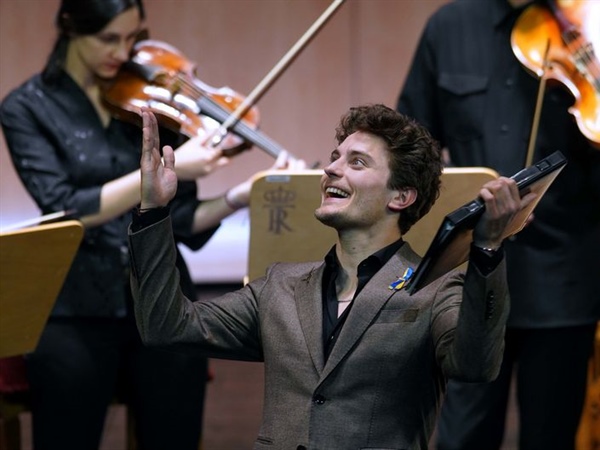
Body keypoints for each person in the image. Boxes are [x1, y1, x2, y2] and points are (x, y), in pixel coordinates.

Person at [128, 103, 535, 449]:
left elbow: (476, 365)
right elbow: (167, 327)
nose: (331, 170)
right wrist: (152, 210)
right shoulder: (279, 286)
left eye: (356, 162)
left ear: (401, 196)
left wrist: (487, 251)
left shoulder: (435, 288)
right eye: (335, 157)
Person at [0, 0, 302, 448]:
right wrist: (157, 178)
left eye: (133, 38)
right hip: (74, 303)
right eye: (107, 39)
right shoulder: (27, 108)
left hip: (160, 295)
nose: (123, 53)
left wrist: (242, 195)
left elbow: (182, 223)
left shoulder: (155, 100)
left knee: (174, 434)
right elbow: (65, 205)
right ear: (69, 28)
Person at [396, 1, 600, 449]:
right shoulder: (448, 27)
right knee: (462, 437)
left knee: (551, 436)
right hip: (469, 279)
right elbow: (410, 150)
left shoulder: (589, 23)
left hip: (566, 277)